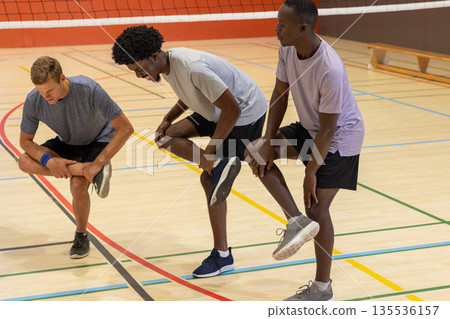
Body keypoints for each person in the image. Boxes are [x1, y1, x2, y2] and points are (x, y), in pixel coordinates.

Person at [112, 25, 290, 278]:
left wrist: (209, 150)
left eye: (139, 69)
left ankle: (224, 256)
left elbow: (232, 110)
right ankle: (219, 165)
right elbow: (189, 95)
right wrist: (168, 118)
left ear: (153, 56)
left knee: (210, 180)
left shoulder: (192, 66)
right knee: (166, 137)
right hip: (216, 110)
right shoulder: (169, 62)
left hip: (245, 113)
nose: (138, 75)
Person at [247, 0, 365, 301]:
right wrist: (266, 140)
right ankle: (295, 221)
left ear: (303, 27)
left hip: (340, 138)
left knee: (317, 208)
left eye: (281, 25)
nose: (275, 29)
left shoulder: (330, 69)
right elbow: (279, 93)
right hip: (311, 127)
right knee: (256, 153)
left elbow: (328, 129)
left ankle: (322, 288)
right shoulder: (288, 48)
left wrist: (310, 171)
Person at [18, 56, 134, 259]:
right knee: (24, 161)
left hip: (98, 140)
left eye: (49, 90)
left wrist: (98, 161)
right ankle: (85, 170)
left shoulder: (89, 89)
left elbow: (126, 128)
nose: (45, 96)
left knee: (77, 187)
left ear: (62, 78)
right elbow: (25, 142)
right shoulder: (33, 100)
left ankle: (81, 235)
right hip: (68, 142)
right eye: (40, 91)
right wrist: (50, 161)